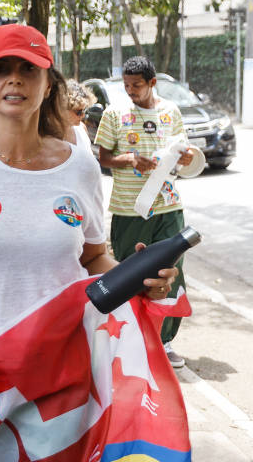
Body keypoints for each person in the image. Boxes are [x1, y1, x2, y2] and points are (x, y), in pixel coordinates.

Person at [0, 23, 179, 413]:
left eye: (28, 69)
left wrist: (138, 280)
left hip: (59, 367)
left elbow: (94, 257)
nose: (14, 79)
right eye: (0, 69)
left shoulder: (81, 167)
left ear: (47, 86)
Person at [94, 55, 194, 368]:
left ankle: (163, 342)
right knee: (129, 273)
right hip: (129, 209)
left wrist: (187, 158)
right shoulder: (114, 113)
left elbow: (183, 152)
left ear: (152, 82)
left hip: (168, 206)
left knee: (171, 272)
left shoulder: (171, 111)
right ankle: (128, 339)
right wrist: (130, 159)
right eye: (126, 85)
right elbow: (103, 158)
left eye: (136, 85)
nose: (130, 91)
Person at [64, 79, 96, 154]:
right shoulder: (50, 136)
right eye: (78, 112)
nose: (83, 115)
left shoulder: (82, 128)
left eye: (84, 110)